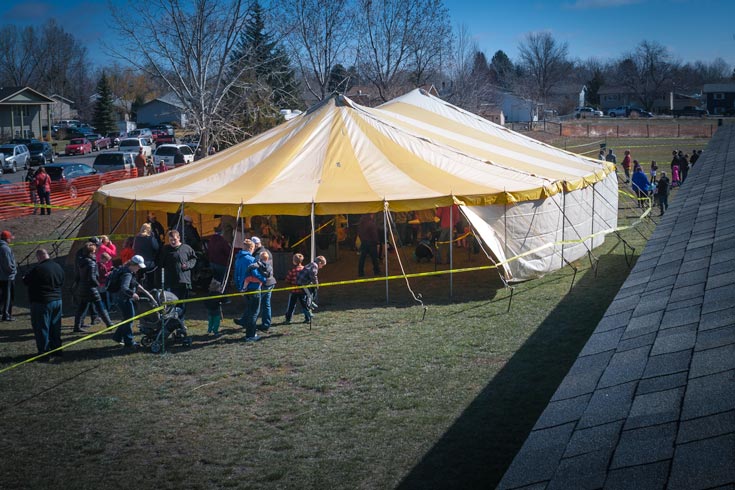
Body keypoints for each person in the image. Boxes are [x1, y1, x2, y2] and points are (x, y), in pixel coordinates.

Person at [23, 249, 64, 359]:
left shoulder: (38, 269)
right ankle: (57, 349)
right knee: (55, 326)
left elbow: (26, 281)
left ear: (39, 257)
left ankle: (44, 352)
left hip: (42, 301)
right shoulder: (58, 266)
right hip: (57, 300)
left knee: (42, 327)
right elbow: (62, 281)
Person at [73, 241, 114, 333]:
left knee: (81, 308)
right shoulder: (91, 263)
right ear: (91, 252)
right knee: (100, 306)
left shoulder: (81, 261)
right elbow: (92, 277)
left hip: (82, 287)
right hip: (91, 288)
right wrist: (97, 284)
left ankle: (77, 326)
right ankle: (109, 323)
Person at [233, 238, 267, 342]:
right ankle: (250, 335)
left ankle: (249, 332)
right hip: (253, 288)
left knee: (250, 310)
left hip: (244, 289)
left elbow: (236, 274)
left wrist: (240, 287)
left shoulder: (238, 259)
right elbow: (256, 274)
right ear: (251, 248)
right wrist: (264, 279)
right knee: (254, 312)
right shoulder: (251, 260)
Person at [160, 229, 197, 321]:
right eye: (171, 240)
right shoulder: (166, 249)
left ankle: (181, 322)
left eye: (174, 240)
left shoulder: (186, 248)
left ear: (179, 238)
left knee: (182, 304)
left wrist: (188, 265)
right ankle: (172, 321)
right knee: (172, 304)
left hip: (184, 281)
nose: (172, 242)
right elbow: (160, 263)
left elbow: (194, 259)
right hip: (171, 281)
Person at [110, 255, 146, 347]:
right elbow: (124, 287)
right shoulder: (127, 274)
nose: (139, 269)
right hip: (123, 299)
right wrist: (132, 294)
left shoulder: (127, 270)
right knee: (129, 319)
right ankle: (129, 342)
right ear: (134, 264)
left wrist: (145, 292)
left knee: (126, 319)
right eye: (138, 267)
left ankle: (117, 337)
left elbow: (134, 283)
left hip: (120, 298)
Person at [252, 236, 276, 332]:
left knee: (255, 303)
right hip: (270, 281)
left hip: (264, 282)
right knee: (266, 304)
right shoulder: (267, 251)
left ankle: (248, 322)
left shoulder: (258, 254)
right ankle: (266, 324)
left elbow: (259, 270)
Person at [284, 253, 309, 324]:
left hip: (294, 291)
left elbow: (287, 280)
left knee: (291, 306)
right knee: (305, 305)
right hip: (303, 290)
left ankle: (288, 319)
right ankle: (308, 317)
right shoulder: (305, 269)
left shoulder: (292, 270)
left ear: (294, 261)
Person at [133, 223, 159, 289]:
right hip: (149, 263)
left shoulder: (137, 238)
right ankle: (150, 292)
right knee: (151, 280)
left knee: (139, 280)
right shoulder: (150, 238)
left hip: (138, 263)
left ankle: (139, 293)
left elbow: (134, 248)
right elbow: (156, 247)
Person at [0, 230, 17, 321]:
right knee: (8, 296)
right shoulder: (5, 248)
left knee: (3, 295)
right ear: (7, 239)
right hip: (7, 277)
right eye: (10, 238)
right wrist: (13, 270)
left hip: (1, 276)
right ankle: (6, 315)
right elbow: (8, 264)